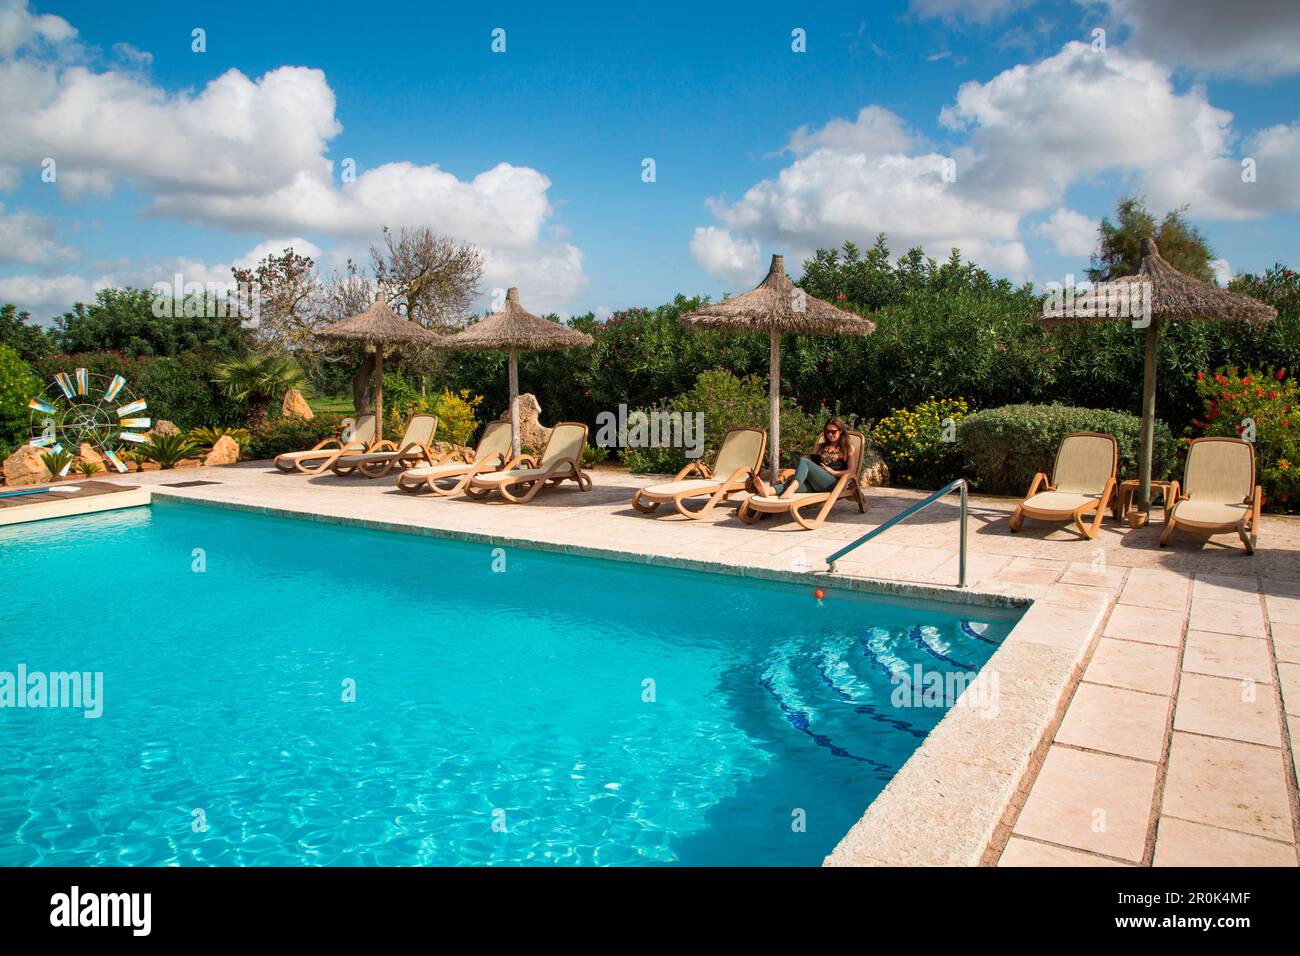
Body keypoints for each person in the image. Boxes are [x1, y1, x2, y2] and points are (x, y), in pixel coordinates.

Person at [753, 418, 857, 499]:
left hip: (833, 484)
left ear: (841, 431)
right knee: (794, 482)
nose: (830, 434)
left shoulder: (848, 448)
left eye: (833, 432)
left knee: (803, 461)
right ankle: (768, 491)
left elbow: (852, 471)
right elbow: (812, 464)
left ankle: (791, 488)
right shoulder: (819, 447)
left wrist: (833, 472)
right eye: (827, 431)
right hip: (817, 482)